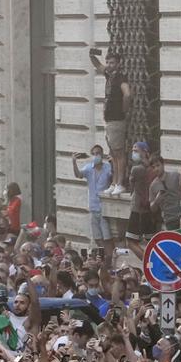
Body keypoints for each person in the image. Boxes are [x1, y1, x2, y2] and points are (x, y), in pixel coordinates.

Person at [90, 49, 132, 194]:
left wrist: (124, 110)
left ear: (119, 64)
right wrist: (91, 55)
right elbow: (98, 65)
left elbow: (127, 94)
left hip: (116, 119)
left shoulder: (121, 78)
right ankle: (114, 182)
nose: (108, 65)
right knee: (113, 153)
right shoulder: (109, 75)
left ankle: (120, 183)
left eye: (112, 62)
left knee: (119, 153)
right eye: (108, 62)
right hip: (109, 120)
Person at [73, 145, 115, 258]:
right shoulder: (88, 168)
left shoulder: (107, 168)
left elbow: (114, 178)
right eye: (95, 153)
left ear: (102, 155)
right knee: (97, 237)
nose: (97, 156)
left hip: (104, 208)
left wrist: (112, 163)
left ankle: (110, 257)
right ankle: (104, 256)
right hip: (93, 207)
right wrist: (74, 162)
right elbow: (78, 175)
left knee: (107, 237)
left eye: (99, 153)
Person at [149, 154, 181, 230]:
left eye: (158, 165)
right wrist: (156, 201)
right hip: (169, 220)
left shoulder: (175, 176)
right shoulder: (153, 186)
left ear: (163, 164)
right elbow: (152, 208)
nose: (156, 169)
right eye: (153, 167)